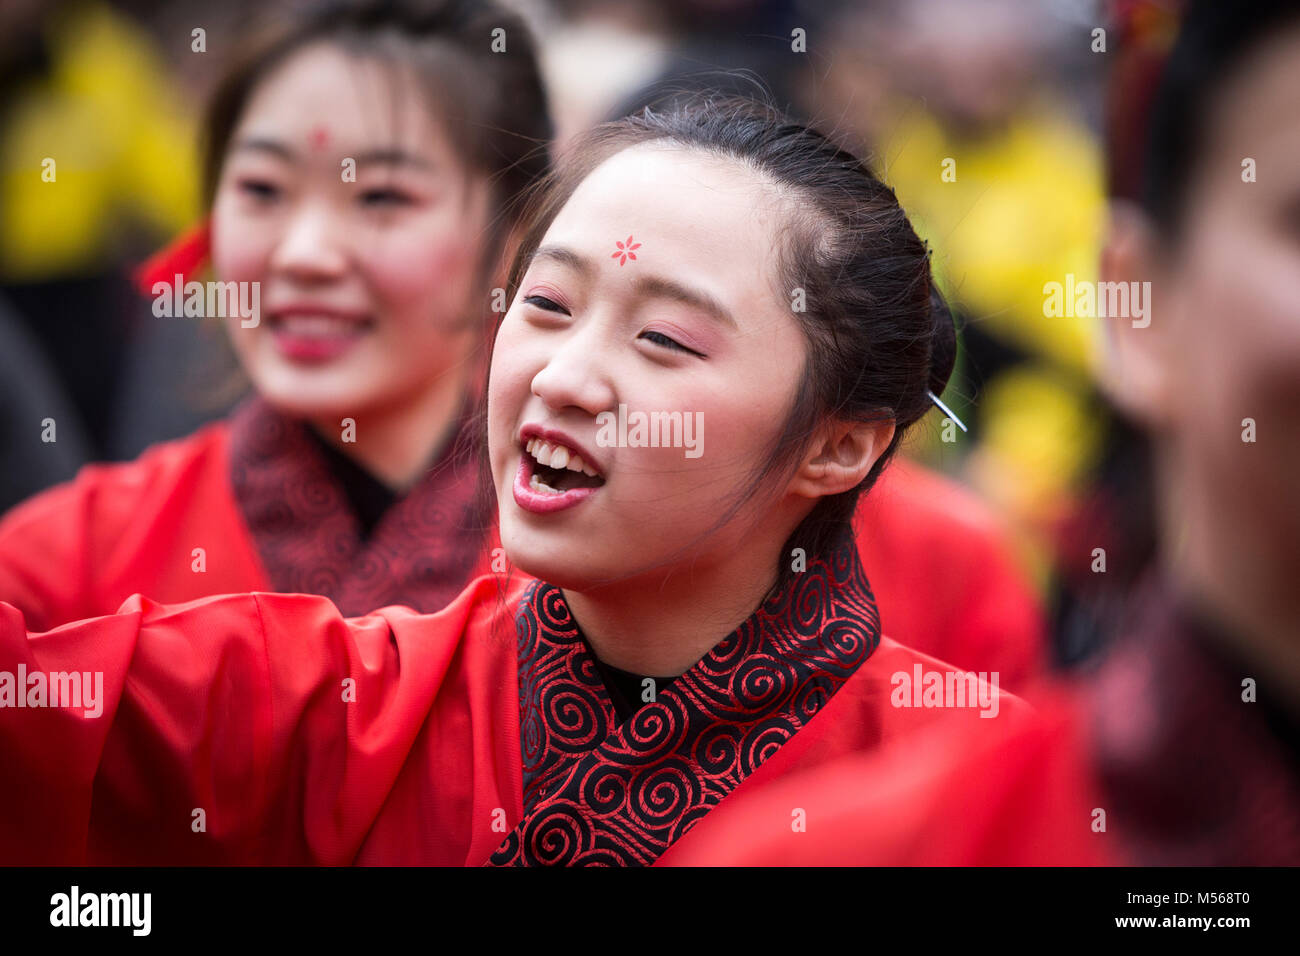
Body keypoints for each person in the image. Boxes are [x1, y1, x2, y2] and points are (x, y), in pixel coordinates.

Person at [0, 95, 1030, 866]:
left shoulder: (997, 792)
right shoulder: (329, 707)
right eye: (546, 305)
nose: (565, 374)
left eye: (664, 337)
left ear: (838, 444)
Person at [665, 0, 1300, 866]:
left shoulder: (958, 560)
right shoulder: (875, 849)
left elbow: (1050, 381)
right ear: (1144, 305)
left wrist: (1016, 483)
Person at [0, 0, 550, 627]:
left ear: (515, 236)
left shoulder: (596, 562)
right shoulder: (71, 564)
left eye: (380, 196)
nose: (303, 254)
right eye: (262, 189)